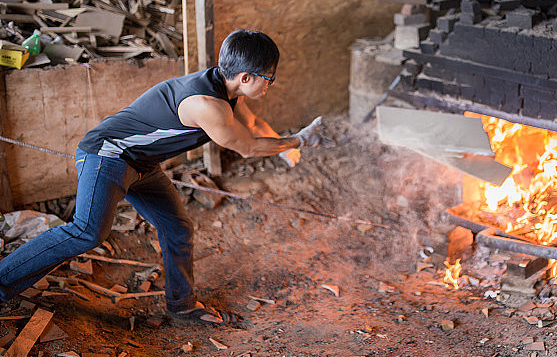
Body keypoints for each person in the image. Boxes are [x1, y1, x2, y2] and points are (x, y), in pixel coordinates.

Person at [0, 29, 326, 324]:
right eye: (269, 78)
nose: (270, 84)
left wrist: (288, 146)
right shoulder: (206, 105)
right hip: (108, 156)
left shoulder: (226, 90)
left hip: (141, 164)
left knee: (177, 227)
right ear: (244, 77)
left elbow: (253, 129)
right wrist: (300, 140)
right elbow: (249, 148)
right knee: (87, 232)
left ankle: (182, 305)